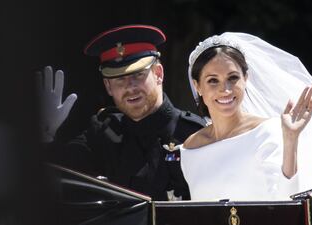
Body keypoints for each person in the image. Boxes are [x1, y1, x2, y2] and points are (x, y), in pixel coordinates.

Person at [38, 25, 206, 201]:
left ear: (158, 73)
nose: (130, 87)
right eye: (119, 79)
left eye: (138, 75)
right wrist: (45, 135)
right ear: (108, 87)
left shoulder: (194, 134)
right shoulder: (102, 133)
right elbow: (60, 175)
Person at [180, 32, 312, 201]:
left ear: (245, 79)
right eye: (213, 80)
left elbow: (286, 202)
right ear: (198, 86)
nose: (225, 89)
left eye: (233, 78)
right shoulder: (190, 148)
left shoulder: (268, 132)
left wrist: (291, 139)